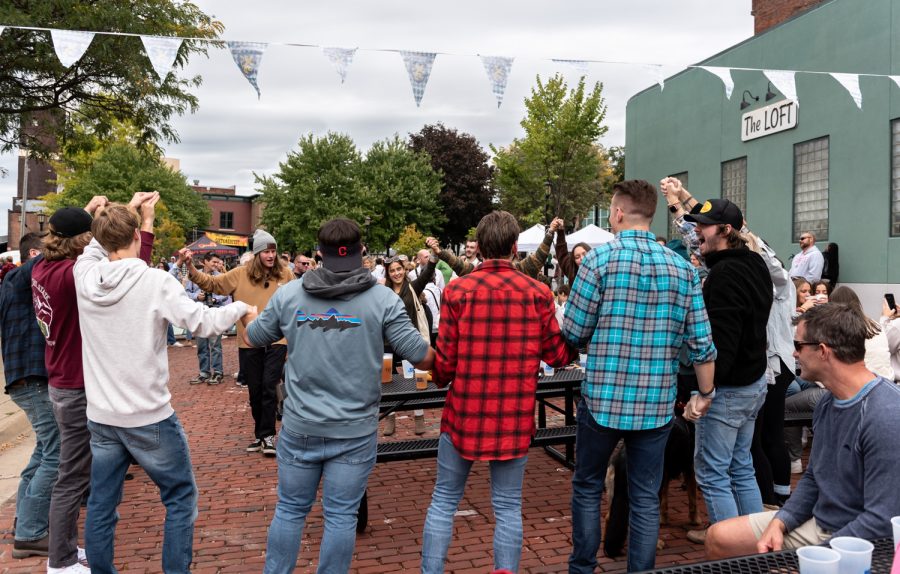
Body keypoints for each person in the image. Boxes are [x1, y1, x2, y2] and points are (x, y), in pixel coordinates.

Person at [74, 198, 253, 574]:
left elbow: (93, 247)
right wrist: (240, 308)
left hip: (102, 416)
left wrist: (122, 214)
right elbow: (204, 323)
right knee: (180, 496)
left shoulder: (85, 275)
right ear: (137, 236)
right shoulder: (155, 280)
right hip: (148, 415)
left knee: (103, 504)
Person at [246, 218, 434, 574]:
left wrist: (249, 316)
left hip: (302, 424)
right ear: (362, 252)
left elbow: (253, 337)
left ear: (319, 254)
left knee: (289, 509)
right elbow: (420, 355)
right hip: (354, 430)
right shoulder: (381, 299)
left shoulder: (289, 295)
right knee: (340, 516)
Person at [562, 181, 716, 573]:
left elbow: (574, 332)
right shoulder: (682, 269)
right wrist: (705, 393)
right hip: (655, 403)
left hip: (603, 399)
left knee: (587, 485)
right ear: (650, 214)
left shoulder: (597, 262)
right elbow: (701, 343)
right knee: (647, 496)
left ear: (617, 213)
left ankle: (582, 567)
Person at [421, 210, 577, 574]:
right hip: (513, 415)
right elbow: (556, 355)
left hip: (464, 413)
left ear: (481, 246)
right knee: (507, 506)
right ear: (512, 246)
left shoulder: (458, 290)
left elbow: (444, 366)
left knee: (443, 500)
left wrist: (437, 371)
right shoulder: (537, 292)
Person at [705, 304, 900, 558]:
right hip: (822, 521)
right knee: (718, 537)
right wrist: (780, 521)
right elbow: (813, 478)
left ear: (822, 351)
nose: (793, 354)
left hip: (861, 540)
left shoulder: (885, 415)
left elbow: (881, 521)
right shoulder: (829, 401)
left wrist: (815, 557)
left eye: (798, 346)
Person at [33, 195, 153, 574]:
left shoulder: (41, 268)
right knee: (73, 476)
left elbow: (85, 238)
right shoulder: (74, 277)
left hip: (62, 378)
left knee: (77, 472)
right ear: (81, 241)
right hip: (77, 385)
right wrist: (140, 220)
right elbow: (132, 274)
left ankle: (66, 548)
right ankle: (61, 561)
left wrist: (107, 211)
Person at [682, 198, 773, 529]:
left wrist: (705, 392)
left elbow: (722, 345)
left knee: (712, 473)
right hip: (753, 383)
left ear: (726, 230)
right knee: (740, 467)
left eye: (703, 225)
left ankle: (733, 555)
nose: (696, 231)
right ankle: (754, 551)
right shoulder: (754, 263)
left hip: (729, 390)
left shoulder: (725, 274)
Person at [179, 229, 294, 456]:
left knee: (269, 387)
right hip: (249, 341)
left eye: (274, 251)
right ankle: (261, 435)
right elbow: (211, 283)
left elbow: (299, 301)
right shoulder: (240, 274)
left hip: (278, 340)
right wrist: (190, 269)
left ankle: (269, 436)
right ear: (258, 253)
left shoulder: (286, 275)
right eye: (266, 251)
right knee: (255, 390)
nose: (271, 256)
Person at [1, 232, 60, 561]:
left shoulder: (18, 284)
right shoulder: (17, 278)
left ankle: (25, 520)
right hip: (31, 378)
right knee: (57, 453)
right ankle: (30, 533)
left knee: (44, 450)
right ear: (35, 253)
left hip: (28, 378)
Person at [381, 249, 437, 436]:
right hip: (387, 344)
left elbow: (428, 272)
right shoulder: (383, 292)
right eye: (392, 271)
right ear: (388, 274)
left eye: (399, 269)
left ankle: (419, 416)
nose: (396, 273)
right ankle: (390, 417)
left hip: (408, 341)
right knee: (387, 382)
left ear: (404, 270)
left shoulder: (413, 287)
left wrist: (434, 256)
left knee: (415, 379)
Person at [190, 253, 232, 385]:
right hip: (200, 313)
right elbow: (185, 293)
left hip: (215, 312)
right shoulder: (194, 275)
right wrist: (197, 296)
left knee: (215, 345)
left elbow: (227, 294)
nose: (216, 265)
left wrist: (216, 298)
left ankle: (218, 372)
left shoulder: (220, 277)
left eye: (217, 262)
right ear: (205, 262)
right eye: (213, 262)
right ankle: (204, 372)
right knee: (201, 345)